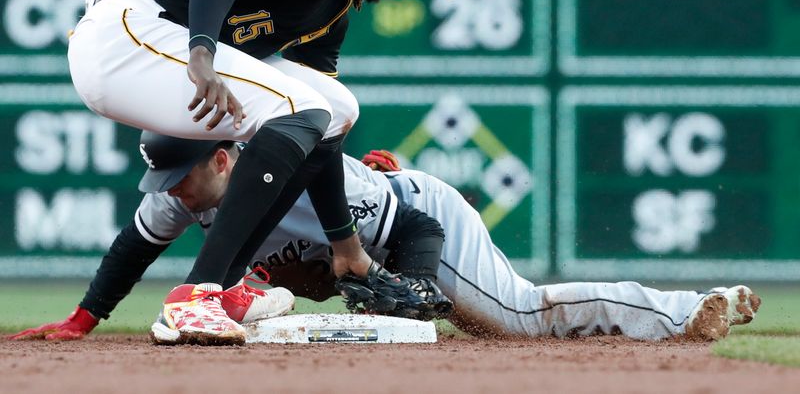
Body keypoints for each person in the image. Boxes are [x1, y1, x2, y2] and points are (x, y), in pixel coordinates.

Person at [66, 0, 471, 345]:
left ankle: (227, 286)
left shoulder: (333, 3)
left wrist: (346, 245)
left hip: (150, 43)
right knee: (304, 110)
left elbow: (319, 135)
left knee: (332, 108)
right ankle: (198, 294)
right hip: (126, 37)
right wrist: (201, 52)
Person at [10, 136, 759, 343]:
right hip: (352, 260)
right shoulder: (186, 198)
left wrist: (420, 292)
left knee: (519, 315)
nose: (168, 194)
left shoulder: (305, 177)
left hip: (419, 220)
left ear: (222, 158)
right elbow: (131, 247)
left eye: (178, 176)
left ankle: (689, 306)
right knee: (246, 305)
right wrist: (84, 317)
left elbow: (422, 228)